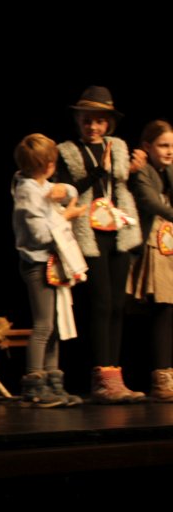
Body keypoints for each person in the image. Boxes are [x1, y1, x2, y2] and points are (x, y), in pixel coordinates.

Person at [54, 86, 143, 402]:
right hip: (88, 233)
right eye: (87, 120)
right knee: (101, 303)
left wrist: (132, 170)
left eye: (99, 121)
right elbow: (67, 192)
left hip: (117, 230)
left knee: (118, 304)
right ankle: (102, 378)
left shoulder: (117, 147)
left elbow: (121, 184)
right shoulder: (67, 151)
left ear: (109, 123)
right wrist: (97, 172)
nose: (93, 126)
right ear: (78, 120)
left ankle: (115, 377)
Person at [12, 134, 86, 407]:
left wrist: (65, 190)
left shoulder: (41, 184)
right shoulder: (27, 192)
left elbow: (68, 192)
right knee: (44, 325)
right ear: (46, 164)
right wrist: (65, 217)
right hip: (37, 263)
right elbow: (40, 234)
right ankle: (35, 382)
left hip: (53, 263)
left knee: (55, 325)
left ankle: (53, 382)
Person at [128, 120, 173, 401]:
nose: (169, 151)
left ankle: (166, 374)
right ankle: (161, 378)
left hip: (168, 244)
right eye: (163, 145)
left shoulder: (168, 171)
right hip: (151, 246)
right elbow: (150, 202)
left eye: (172, 146)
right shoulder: (143, 172)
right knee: (163, 308)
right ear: (147, 146)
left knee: (168, 310)